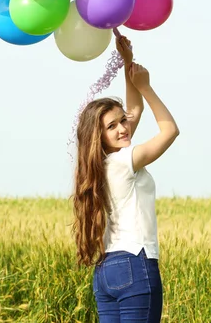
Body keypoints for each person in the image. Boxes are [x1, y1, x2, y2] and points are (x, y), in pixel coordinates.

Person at [72, 35, 180, 322]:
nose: (123, 127)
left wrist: (127, 61)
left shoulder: (96, 166)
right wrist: (145, 86)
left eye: (122, 120)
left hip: (107, 270)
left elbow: (136, 110)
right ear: (100, 136)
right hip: (135, 263)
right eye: (113, 125)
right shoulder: (123, 161)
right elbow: (170, 131)